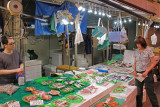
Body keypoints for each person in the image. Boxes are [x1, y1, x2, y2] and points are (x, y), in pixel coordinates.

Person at [134, 36, 159, 107]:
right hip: (138, 74)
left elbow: (154, 62)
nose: (138, 45)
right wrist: (134, 71)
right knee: (138, 93)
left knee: (150, 92)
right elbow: (135, 62)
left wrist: (147, 71)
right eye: (137, 44)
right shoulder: (136, 51)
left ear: (143, 43)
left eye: (139, 44)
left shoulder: (149, 50)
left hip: (147, 74)